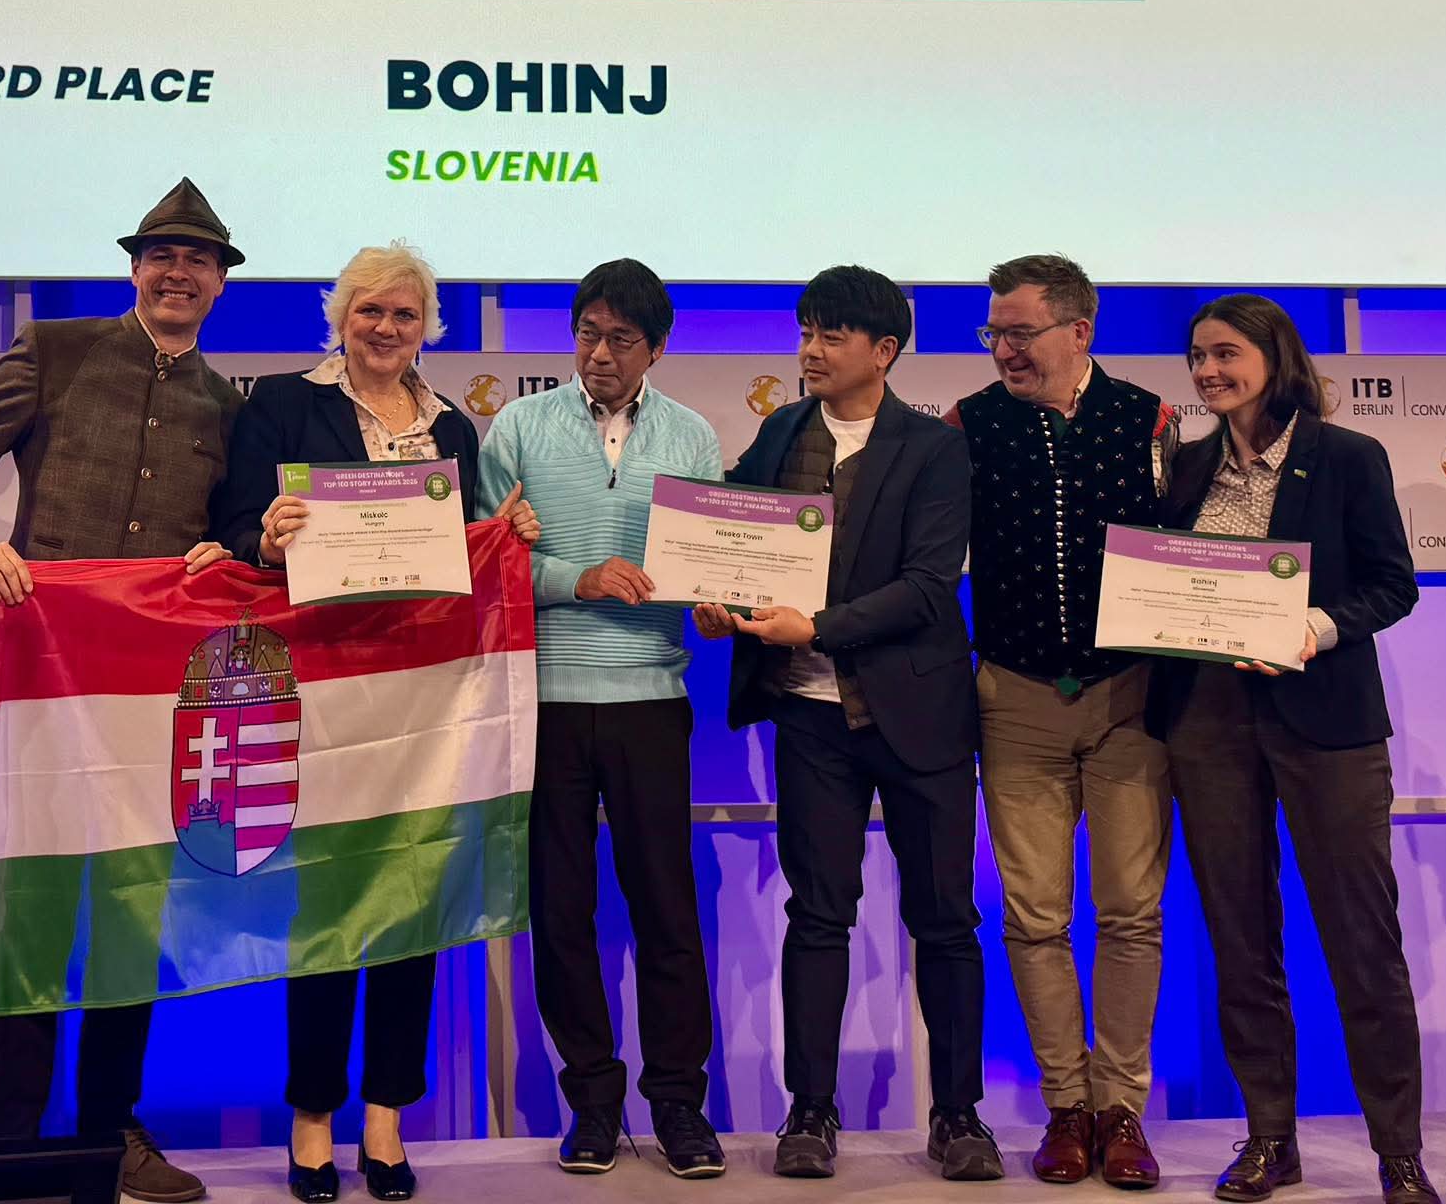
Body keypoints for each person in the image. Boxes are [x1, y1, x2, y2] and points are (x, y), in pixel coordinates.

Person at [194, 242, 539, 1204]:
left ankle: (386, 1116)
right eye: (369, 311)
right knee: (328, 907)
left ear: (428, 327)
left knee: (411, 906)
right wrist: (264, 538)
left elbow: (463, 557)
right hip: (323, 690)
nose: (386, 329)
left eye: (404, 314)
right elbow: (231, 529)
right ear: (340, 317)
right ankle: (312, 1119)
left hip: (425, 699)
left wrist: (507, 538)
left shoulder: (453, 428)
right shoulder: (280, 404)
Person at [0, 177, 246, 1204]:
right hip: (38, 680)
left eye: (198, 260)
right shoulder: (54, 350)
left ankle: (112, 1132)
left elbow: (238, 537)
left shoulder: (226, 403)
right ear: (135, 269)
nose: (178, 273)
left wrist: (225, 553)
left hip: (151, 697)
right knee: (25, 911)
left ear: (220, 283)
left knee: (131, 920)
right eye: (162, 256)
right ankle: (9, 1154)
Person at [699, 266, 1001, 1184]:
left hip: (919, 714)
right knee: (818, 916)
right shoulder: (780, 432)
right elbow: (736, 539)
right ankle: (811, 1110)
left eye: (832, 335)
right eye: (806, 332)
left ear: (884, 351)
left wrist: (819, 627)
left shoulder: (934, 448)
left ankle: (959, 1116)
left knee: (945, 920)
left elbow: (927, 586)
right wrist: (721, 604)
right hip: (811, 717)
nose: (811, 350)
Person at [1148, 296, 1436, 1204]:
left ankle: (1399, 1153)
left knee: (1362, 942)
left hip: (1328, 723)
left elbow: (1393, 585)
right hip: (1208, 722)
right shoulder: (1184, 467)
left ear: (1274, 358)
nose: (1208, 372)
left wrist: (1316, 626)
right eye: (1198, 357)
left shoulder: (1348, 456)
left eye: (1226, 354)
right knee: (1240, 940)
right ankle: (1270, 1139)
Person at [477, 259, 728, 1180]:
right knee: (561, 911)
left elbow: (709, 562)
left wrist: (719, 600)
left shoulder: (694, 435)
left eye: (622, 339)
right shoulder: (517, 426)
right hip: (544, 699)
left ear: (656, 348)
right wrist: (573, 577)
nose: (600, 354)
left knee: (667, 909)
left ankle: (679, 1106)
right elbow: (487, 559)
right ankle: (590, 1102)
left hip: (652, 698)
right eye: (587, 333)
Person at [946, 255, 1175, 1189]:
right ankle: (1066, 1111)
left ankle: (1122, 1110)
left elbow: (1196, 549)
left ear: (1079, 332)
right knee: (1035, 917)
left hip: (1132, 700)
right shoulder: (968, 424)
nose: (1004, 350)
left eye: (1021, 333)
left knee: (1132, 913)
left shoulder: (1151, 419)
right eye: (994, 334)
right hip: (1015, 700)